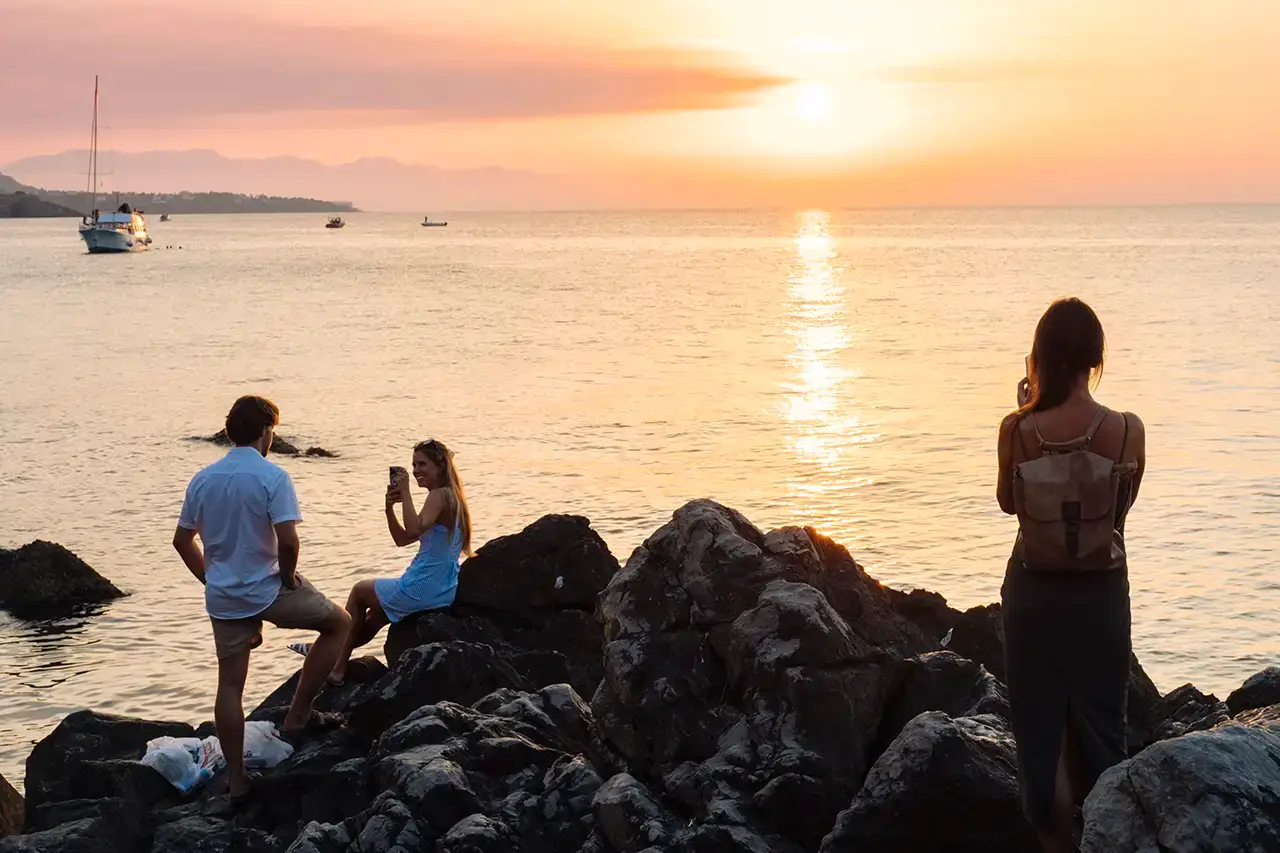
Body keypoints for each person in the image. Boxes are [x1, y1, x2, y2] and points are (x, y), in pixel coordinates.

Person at [996, 298, 1146, 853]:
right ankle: (1111, 838)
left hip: (1033, 594)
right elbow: (1121, 513)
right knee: (1105, 730)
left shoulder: (1017, 430)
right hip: (1100, 596)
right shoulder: (1128, 432)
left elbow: (1008, 503)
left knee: (1039, 736)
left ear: (1039, 357)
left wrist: (1028, 410)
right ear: (1096, 360)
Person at [172, 396, 351, 805]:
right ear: (267, 431)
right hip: (270, 589)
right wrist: (288, 576)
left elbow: (182, 541)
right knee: (338, 623)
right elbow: (288, 540)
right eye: (274, 430)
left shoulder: (203, 478)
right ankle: (299, 714)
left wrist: (209, 578)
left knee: (230, 687)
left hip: (225, 599)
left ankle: (237, 781)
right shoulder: (272, 476)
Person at [328, 438, 473, 685]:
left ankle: (337, 667)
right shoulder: (453, 498)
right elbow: (402, 539)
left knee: (359, 591)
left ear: (440, 466)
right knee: (375, 617)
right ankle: (331, 653)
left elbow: (414, 529)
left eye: (422, 464)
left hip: (420, 588)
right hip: (442, 591)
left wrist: (405, 493)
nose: (416, 471)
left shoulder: (439, 496)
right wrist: (389, 509)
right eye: (413, 465)